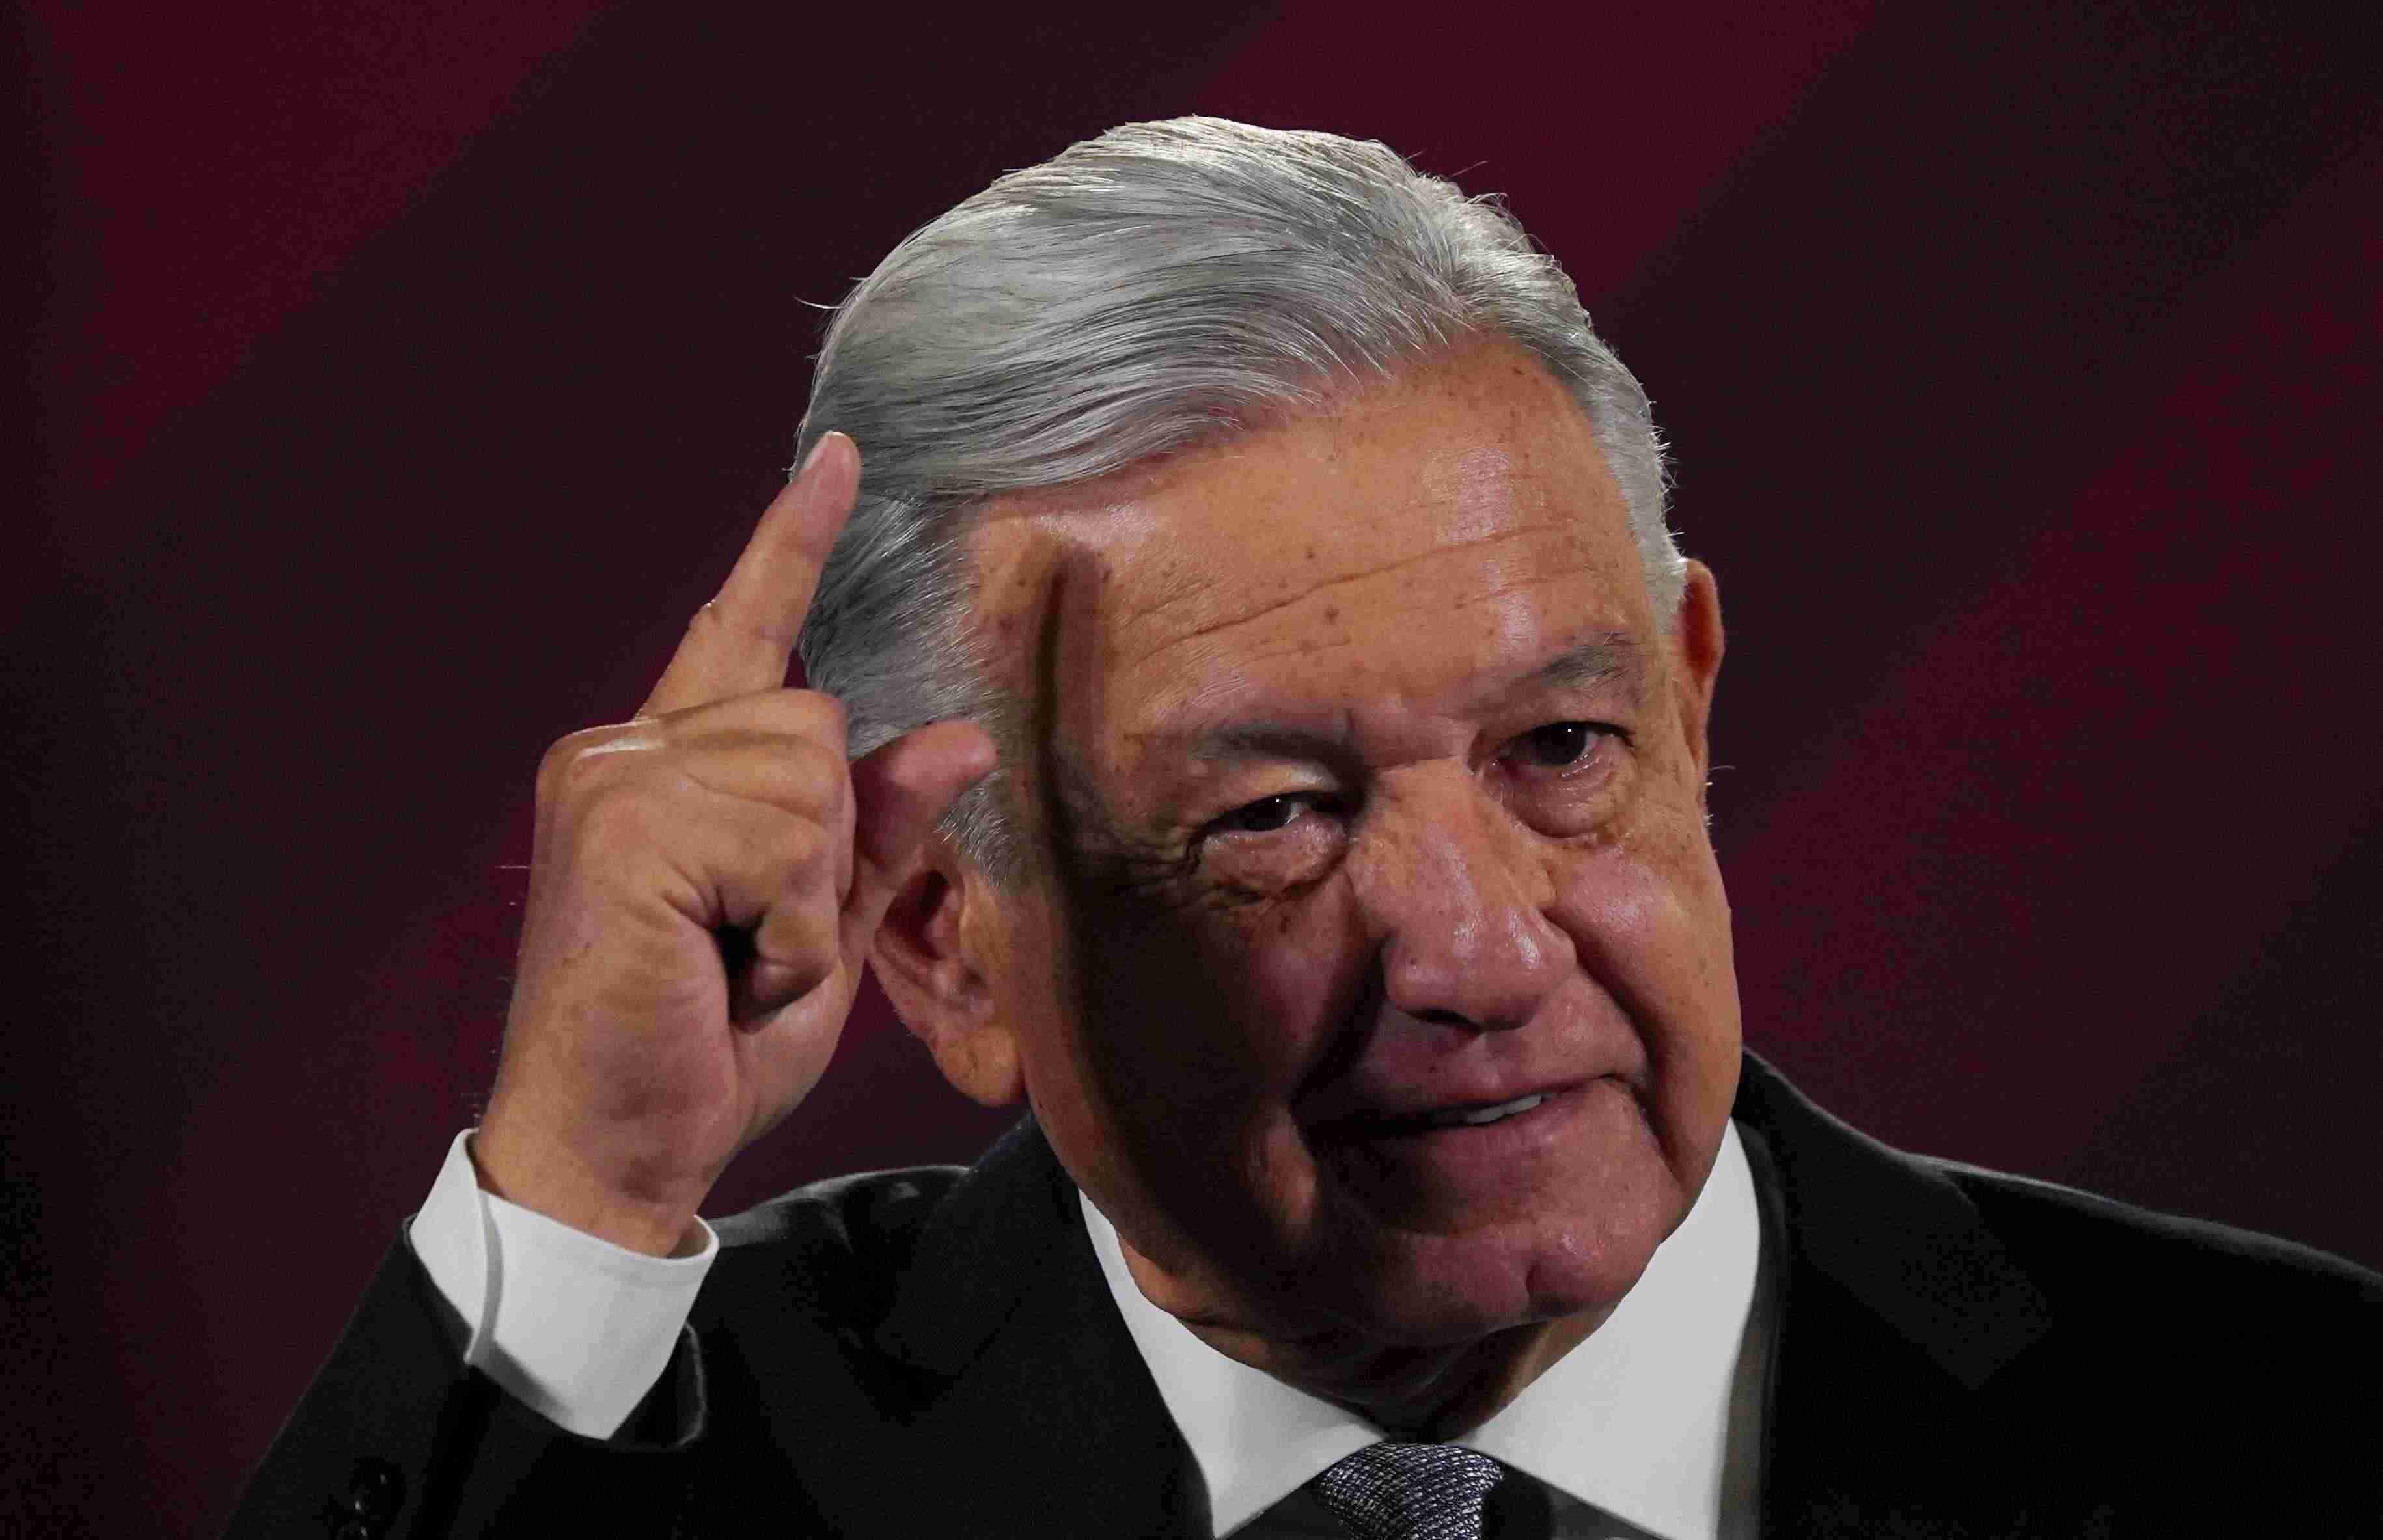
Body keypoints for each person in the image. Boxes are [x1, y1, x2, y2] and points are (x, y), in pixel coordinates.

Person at [228, 118, 2378, 1539]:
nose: (1481, 952)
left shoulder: (2296, 1431)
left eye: (1561, 747)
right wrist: (581, 1192)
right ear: (945, 935)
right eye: (1272, 816)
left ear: (1692, 695)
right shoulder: (649, 1465)